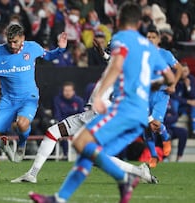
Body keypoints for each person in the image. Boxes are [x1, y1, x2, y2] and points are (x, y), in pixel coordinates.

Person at [28, 2, 175, 203]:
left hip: (121, 110)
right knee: (89, 150)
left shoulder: (122, 38)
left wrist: (100, 94)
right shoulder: (148, 48)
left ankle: (125, 178)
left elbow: (116, 66)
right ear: (139, 22)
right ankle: (62, 197)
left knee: (84, 145)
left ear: (120, 20)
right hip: (138, 116)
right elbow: (169, 78)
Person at [11, 40, 159, 185]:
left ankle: (140, 172)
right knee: (53, 132)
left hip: (101, 115)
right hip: (92, 114)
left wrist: (150, 118)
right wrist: (103, 55)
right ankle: (32, 174)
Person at [0, 23, 68, 182]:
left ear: (22, 38)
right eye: (10, 41)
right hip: (8, 100)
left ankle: (21, 145)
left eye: (15, 41)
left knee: (22, 124)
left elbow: (49, 56)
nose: (12, 45)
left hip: (28, 97)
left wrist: (61, 49)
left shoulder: (33, 47)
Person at [144, 26, 183, 168]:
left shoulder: (165, 54)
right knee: (146, 127)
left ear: (158, 39)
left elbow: (179, 69)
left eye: (153, 37)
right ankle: (153, 155)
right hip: (145, 94)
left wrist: (173, 85)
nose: (150, 39)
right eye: (148, 37)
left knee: (155, 123)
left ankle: (165, 136)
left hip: (161, 94)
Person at [52, 81, 84, 159]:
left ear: (73, 91)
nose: (67, 93)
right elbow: (57, 115)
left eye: (69, 91)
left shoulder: (79, 101)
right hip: (63, 124)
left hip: (77, 125)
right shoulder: (57, 100)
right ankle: (65, 154)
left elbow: (82, 116)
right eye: (66, 91)